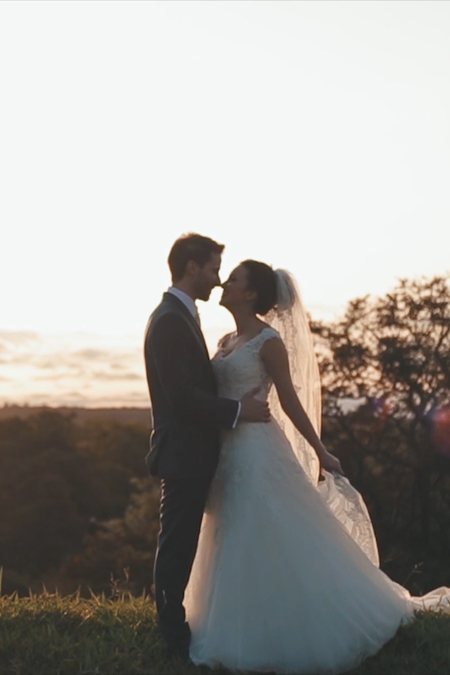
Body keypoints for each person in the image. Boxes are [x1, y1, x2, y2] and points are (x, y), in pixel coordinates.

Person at [184, 259, 450, 674]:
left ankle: (288, 627)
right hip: (227, 452)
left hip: (258, 451)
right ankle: (225, 620)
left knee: (261, 532)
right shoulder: (226, 339)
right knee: (228, 534)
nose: (225, 284)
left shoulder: (268, 342)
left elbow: (290, 402)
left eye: (235, 280)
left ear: (251, 294)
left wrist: (320, 450)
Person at [142, 234, 271, 660]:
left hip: (193, 452)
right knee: (177, 545)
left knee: (181, 542)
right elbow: (181, 396)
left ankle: (175, 629)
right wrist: (238, 411)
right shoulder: (169, 320)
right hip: (182, 453)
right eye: (214, 269)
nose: (217, 281)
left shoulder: (180, 315)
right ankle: (173, 637)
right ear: (192, 266)